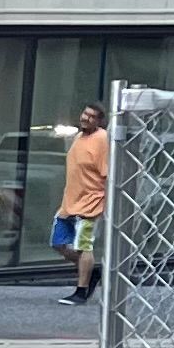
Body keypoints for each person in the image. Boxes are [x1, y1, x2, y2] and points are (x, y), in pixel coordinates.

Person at [55, 101, 111, 306]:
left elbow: (107, 174)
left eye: (92, 116)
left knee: (83, 246)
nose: (86, 118)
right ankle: (91, 271)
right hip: (69, 202)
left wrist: (105, 202)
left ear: (100, 121)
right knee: (58, 243)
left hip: (90, 204)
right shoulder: (79, 136)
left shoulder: (102, 139)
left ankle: (81, 290)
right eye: (85, 114)